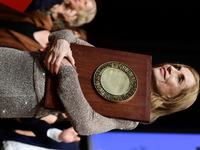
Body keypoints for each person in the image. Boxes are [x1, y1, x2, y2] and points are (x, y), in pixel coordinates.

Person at [0, 29, 199, 135]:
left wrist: (67, 72)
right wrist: (62, 42)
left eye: (179, 78)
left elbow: (86, 125)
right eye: (177, 67)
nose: (173, 70)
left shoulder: (132, 117)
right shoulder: (128, 65)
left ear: (171, 98)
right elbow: (66, 35)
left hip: (20, 93)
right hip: (13, 59)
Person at [26, 0, 97, 29]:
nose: (81, 0)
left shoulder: (54, 25)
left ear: (82, 13)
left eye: (85, 3)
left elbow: (32, 5)